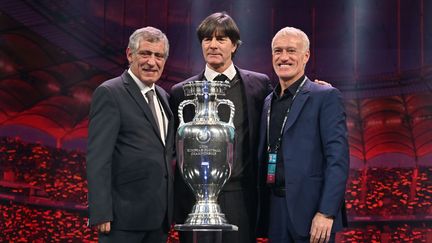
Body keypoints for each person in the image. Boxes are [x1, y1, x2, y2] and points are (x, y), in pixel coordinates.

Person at [170, 12, 273, 243]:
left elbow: (282, 109)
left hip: (241, 198)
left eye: (221, 39)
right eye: (207, 39)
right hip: (193, 200)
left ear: (235, 45)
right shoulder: (181, 92)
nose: (213, 45)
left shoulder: (259, 85)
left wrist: (317, 90)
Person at [256, 26, 349, 243]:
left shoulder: (325, 96)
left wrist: (327, 212)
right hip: (274, 210)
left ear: (306, 56)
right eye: (278, 51)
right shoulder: (268, 101)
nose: (284, 57)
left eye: (291, 51)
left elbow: (338, 160)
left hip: (313, 214)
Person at [86, 26, 175, 243]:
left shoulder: (164, 96)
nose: (152, 62)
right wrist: (101, 211)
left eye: (158, 55)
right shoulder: (110, 92)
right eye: (145, 54)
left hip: (159, 218)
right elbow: (98, 158)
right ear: (129, 54)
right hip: (122, 219)